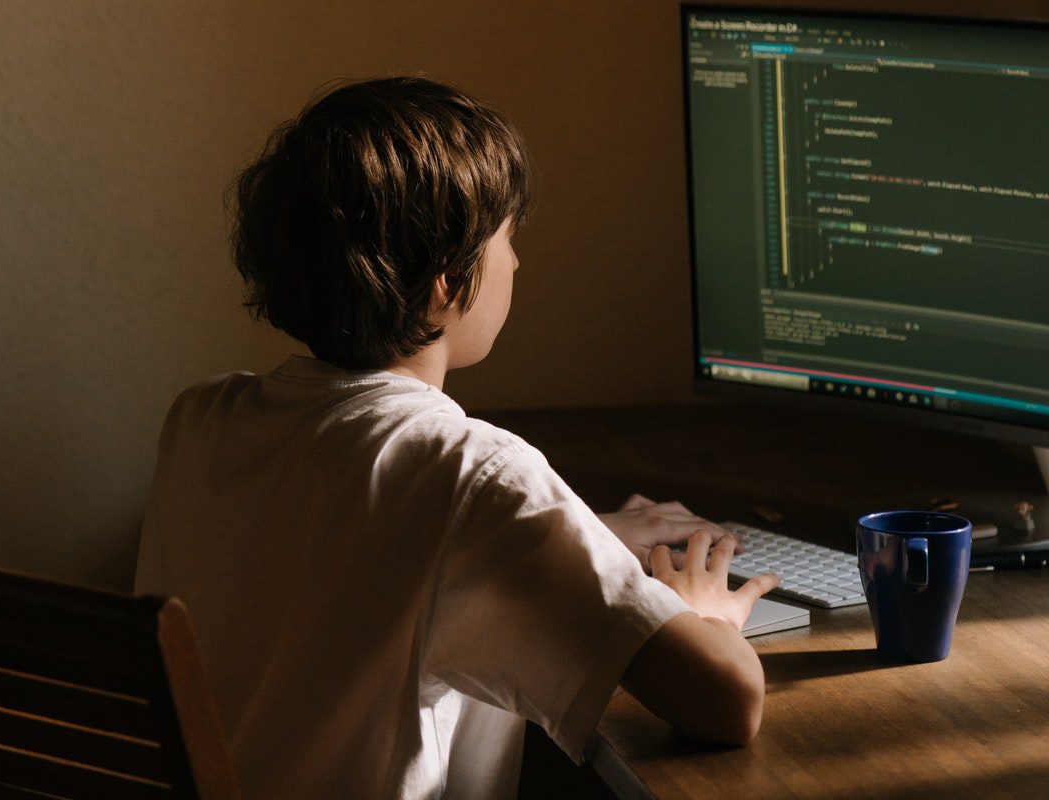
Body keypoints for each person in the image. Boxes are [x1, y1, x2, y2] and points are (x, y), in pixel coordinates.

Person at [134, 76, 780, 800]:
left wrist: (581, 537)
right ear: (449, 280)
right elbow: (729, 702)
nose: (516, 263)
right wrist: (704, 611)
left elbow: (347, 561)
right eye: (507, 238)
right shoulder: (471, 472)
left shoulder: (201, 419)